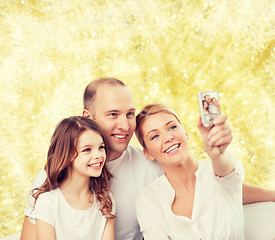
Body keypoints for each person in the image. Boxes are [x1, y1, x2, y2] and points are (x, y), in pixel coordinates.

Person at [21, 77, 275, 240]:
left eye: (130, 113)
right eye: (112, 114)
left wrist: (270, 193)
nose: (124, 124)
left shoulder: (149, 164)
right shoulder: (56, 173)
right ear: (88, 116)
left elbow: (214, 186)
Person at [135, 104, 244, 239]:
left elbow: (227, 171)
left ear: (185, 133)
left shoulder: (218, 173)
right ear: (148, 153)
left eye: (172, 127)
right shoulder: (148, 197)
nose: (168, 137)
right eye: (154, 136)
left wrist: (217, 154)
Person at [28, 116, 115, 240]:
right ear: (67, 155)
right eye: (87, 150)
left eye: (101, 147)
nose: (98, 155)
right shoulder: (48, 202)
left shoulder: (105, 200)